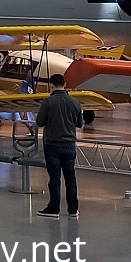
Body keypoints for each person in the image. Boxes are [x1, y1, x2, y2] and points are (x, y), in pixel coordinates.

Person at [35, 73, 84, 219]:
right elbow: (80, 124)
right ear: (65, 84)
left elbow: (39, 122)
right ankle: (73, 209)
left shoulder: (48, 102)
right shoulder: (75, 102)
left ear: (51, 86)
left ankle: (54, 208)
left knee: (54, 178)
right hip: (69, 145)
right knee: (71, 178)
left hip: (52, 145)